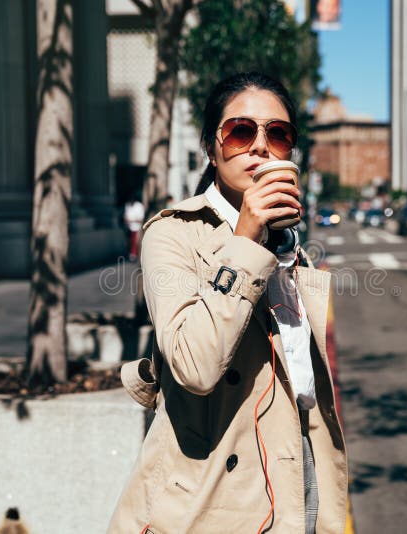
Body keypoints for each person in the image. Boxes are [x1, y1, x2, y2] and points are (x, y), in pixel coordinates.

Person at [109, 72, 347, 533]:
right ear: (212, 148)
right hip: (212, 494)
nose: (260, 146)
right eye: (241, 131)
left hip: (298, 471)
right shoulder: (172, 232)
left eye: (277, 134)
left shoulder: (291, 241)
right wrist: (247, 239)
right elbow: (194, 367)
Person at [123, 194, 145, 261]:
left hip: (137, 228)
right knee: (130, 242)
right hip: (129, 227)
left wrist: (132, 220)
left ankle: (135, 255)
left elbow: (140, 219)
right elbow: (125, 217)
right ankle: (132, 254)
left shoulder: (139, 206)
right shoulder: (127, 205)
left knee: (136, 242)